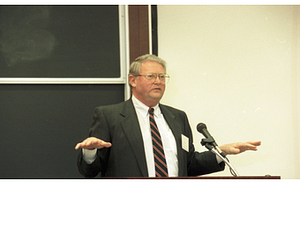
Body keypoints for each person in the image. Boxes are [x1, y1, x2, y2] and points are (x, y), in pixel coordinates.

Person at [75, 54, 261, 178]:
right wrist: (90, 153)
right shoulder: (110, 116)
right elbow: (89, 171)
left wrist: (222, 152)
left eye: (162, 77)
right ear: (133, 80)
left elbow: (189, 165)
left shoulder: (177, 117)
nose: (158, 82)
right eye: (151, 76)